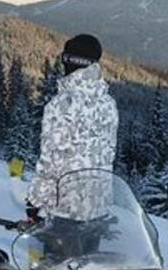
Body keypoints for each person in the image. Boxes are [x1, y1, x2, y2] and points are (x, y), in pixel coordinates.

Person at [27, 34, 118, 222]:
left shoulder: (61, 104)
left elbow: (51, 162)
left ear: (70, 60)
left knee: (52, 252)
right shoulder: (108, 103)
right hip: (97, 212)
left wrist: (35, 203)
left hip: (65, 213)